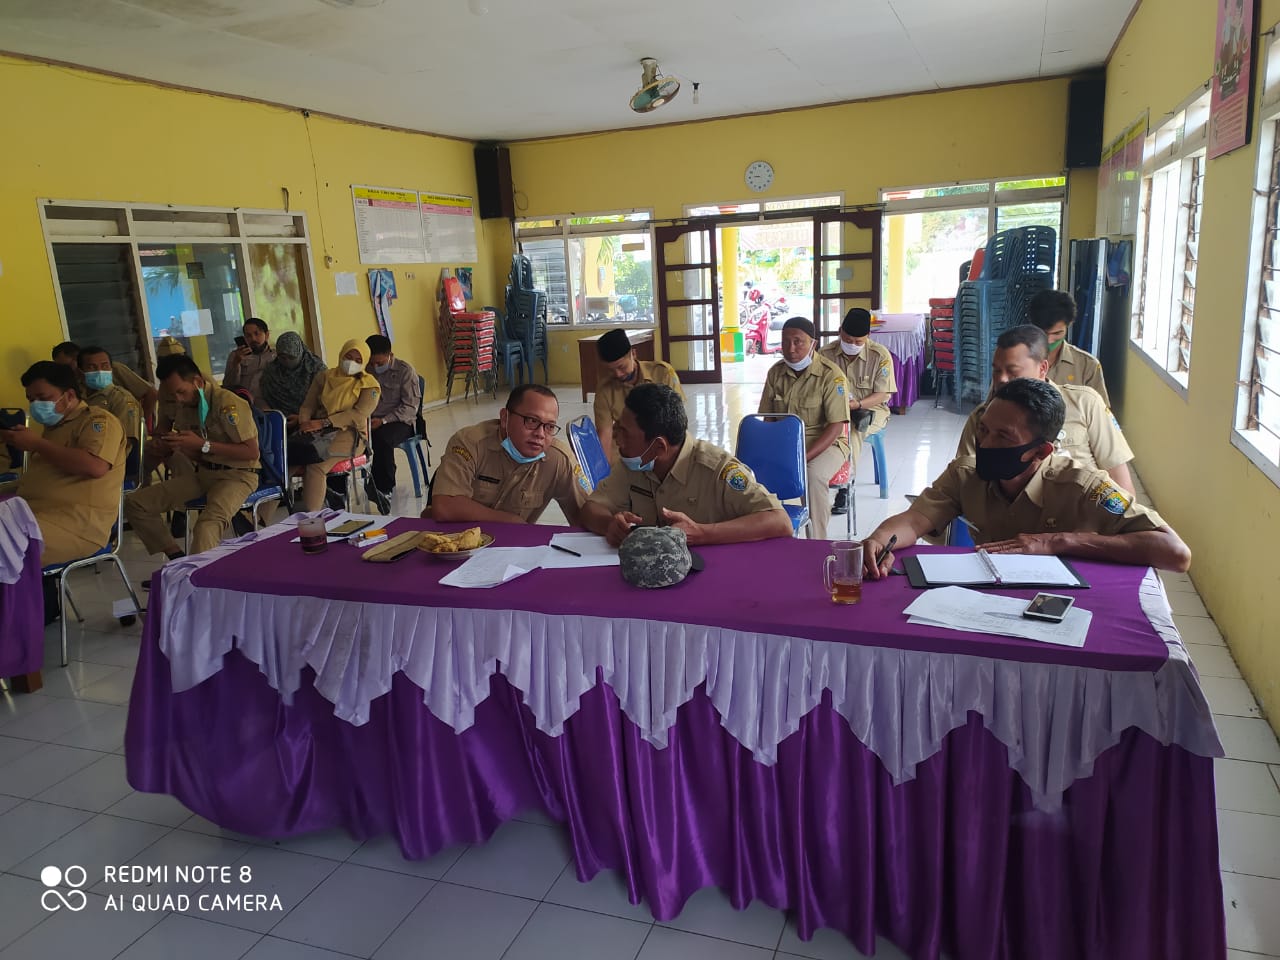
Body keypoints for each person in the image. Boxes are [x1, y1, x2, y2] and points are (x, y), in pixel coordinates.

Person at [863, 378, 1190, 578]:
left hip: (1066, 607)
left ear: (1040, 451)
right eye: (984, 431)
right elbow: (914, 520)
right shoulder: (966, 474)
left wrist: (1058, 542)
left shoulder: (1083, 486)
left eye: (1003, 437)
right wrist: (878, 540)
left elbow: (1175, 553)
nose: (986, 444)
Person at [582, 383, 791, 546]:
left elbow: (780, 522)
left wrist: (702, 534)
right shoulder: (633, 463)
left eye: (625, 433)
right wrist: (610, 525)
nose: (617, 440)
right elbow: (591, 508)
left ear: (659, 447)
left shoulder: (717, 469)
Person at [954, 325, 1134, 494]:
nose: (1002, 379)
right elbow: (964, 481)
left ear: (1042, 368)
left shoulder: (1086, 403)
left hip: (1079, 516)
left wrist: (1102, 527)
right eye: (997, 370)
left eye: (1012, 371)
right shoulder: (983, 419)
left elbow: (1121, 483)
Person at [124, 355, 260, 558]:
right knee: (135, 503)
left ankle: (196, 580)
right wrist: (172, 444)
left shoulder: (226, 402)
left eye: (181, 392)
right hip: (204, 474)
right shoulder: (184, 405)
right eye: (173, 395)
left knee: (206, 526)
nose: (178, 399)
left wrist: (202, 445)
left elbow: (251, 452)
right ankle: (177, 559)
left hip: (237, 476)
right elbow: (195, 450)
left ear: (197, 382)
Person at [0, 361, 126, 567]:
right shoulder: (54, 428)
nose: (35, 405)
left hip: (78, 527)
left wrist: (37, 444)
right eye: (31, 399)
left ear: (68, 395)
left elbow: (95, 466)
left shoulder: (99, 421)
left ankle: (30, 599)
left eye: (43, 398)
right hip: (35, 516)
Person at [428, 383, 587, 524]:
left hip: (511, 551)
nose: (540, 434)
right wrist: (509, 521)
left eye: (550, 426)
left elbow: (585, 515)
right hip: (451, 543)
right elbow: (445, 506)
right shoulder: (470, 443)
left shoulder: (559, 459)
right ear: (505, 418)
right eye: (531, 421)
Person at [758, 317, 850, 538]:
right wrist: (767, 453)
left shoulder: (831, 375)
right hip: (786, 444)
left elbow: (836, 427)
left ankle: (816, 542)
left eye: (798, 342)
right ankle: (766, 534)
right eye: (785, 341)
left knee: (812, 475)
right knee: (749, 471)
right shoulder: (775, 373)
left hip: (826, 444)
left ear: (813, 344)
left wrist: (804, 457)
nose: (790, 349)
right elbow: (768, 419)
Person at [817, 307, 896, 515]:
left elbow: (883, 394)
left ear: (868, 336)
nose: (852, 345)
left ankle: (845, 486)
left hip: (870, 410)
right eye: (848, 339)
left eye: (858, 342)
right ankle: (818, 478)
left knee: (852, 429)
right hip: (834, 408)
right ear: (839, 331)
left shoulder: (880, 355)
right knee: (818, 426)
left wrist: (858, 404)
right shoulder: (825, 354)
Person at [292, 339, 381, 512]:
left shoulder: (370, 386)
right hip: (318, 433)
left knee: (315, 465)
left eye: (358, 360)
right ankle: (261, 522)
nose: (351, 363)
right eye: (348, 356)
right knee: (285, 462)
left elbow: (357, 414)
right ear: (341, 354)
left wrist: (324, 422)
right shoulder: (324, 377)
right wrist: (305, 422)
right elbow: (308, 405)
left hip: (349, 436)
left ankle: (312, 519)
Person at [592, 328, 684, 462]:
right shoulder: (605, 389)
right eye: (611, 370)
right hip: (626, 442)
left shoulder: (662, 374)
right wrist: (604, 476)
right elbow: (604, 434)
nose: (618, 374)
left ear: (633, 354)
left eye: (622, 367)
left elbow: (677, 421)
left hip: (660, 438)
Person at [363, 333, 422, 514]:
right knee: (347, 437)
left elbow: (410, 407)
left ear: (390, 355)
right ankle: (339, 492)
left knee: (382, 439)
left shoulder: (405, 371)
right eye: (372, 363)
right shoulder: (364, 370)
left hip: (399, 421)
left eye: (379, 363)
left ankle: (384, 489)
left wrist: (383, 420)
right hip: (370, 420)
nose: (375, 367)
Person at [1028, 290, 1110, 405]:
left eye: (1057, 333)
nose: (1049, 340)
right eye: (1043, 333)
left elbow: (1101, 415)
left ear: (1069, 325)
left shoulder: (1087, 366)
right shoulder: (1014, 359)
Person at [53, 340, 158, 424]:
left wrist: (141, 422)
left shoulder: (113, 369)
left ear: (78, 360)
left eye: (67, 366)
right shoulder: (75, 383)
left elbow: (151, 393)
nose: (65, 371)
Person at [76, 345, 142, 446]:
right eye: (92, 367)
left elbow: (127, 441)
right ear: (80, 373)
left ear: (111, 368)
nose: (100, 371)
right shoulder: (77, 397)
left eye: (104, 366)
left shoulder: (121, 398)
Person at [260, 331, 326, 423]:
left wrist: (301, 417)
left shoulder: (316, 369)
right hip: (280, 423)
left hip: (312, 422)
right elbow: (264, 400)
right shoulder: (271, 372)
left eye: (292, 358)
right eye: (282, 357)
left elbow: (326, 404)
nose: (287, 361)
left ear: (300, 353)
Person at [221, 318, 275, 408]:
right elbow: (228, 386)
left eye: (257, 334)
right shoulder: (236, 356)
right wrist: (236, 363)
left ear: (267, 335)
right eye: (248, 336)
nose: (253, 339)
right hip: (243, 405)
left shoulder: (276, 356)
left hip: (269, 407)